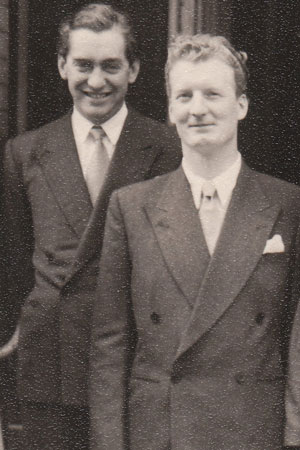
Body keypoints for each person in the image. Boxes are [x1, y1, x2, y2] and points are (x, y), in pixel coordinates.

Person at [90, 33, 300, 450]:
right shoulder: (131, 207)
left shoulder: (288, 204)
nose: (198, 109)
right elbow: (109, 344)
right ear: (170, 109)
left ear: (241, 105)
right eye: (184, 95)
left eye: (212, 94)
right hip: (161, 431)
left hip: (253, 429)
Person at [2, 3, 181, 449]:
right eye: (83, 65)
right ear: (63, 66)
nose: (96, 81)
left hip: (134, 358)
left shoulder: (167, 148)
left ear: (134, 70)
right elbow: (12, 257)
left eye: (110, 66)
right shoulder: (25, 153)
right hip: (51, 363)